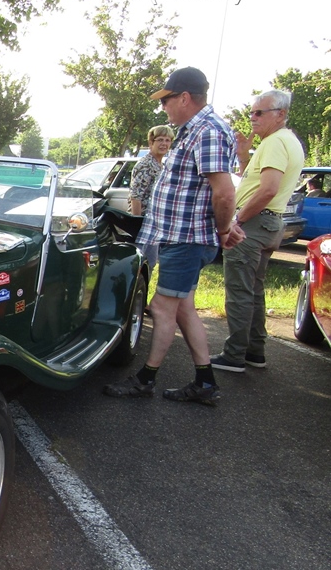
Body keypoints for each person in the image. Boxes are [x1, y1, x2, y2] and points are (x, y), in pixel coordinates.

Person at [103, 66, 242, 406]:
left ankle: (146, 379)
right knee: (184, 309)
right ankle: (205, 382)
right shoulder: (196, 130)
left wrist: (225, 229)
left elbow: (224, 192)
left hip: (186, 239)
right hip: (182, 237)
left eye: (167, 99)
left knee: (162, 308)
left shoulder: (207, 131)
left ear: (185, 98)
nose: (163, 106)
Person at [210, 90, 305, 373]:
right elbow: (255, 183)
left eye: (259, 112)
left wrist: (237, 221)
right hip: (269, 223)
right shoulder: (285, 141)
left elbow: (268, 190)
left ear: (281, 114)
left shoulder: (275, 142)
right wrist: (243, 157)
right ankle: (254, 350)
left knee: (240, 290)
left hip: (255, 223)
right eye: (251, 112)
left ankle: (234, 355)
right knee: (253, 290)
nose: (252, 118)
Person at [129, 125, 175, 269]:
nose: (164, 144)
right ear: (151, 142)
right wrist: (136, 224)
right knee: (139, 264)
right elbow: (135, 197)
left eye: (167, 140)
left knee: (150, 264)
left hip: (155, 224)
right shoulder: (146, 164)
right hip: (144, 224)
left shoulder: (161, 165)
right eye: (160, 140)